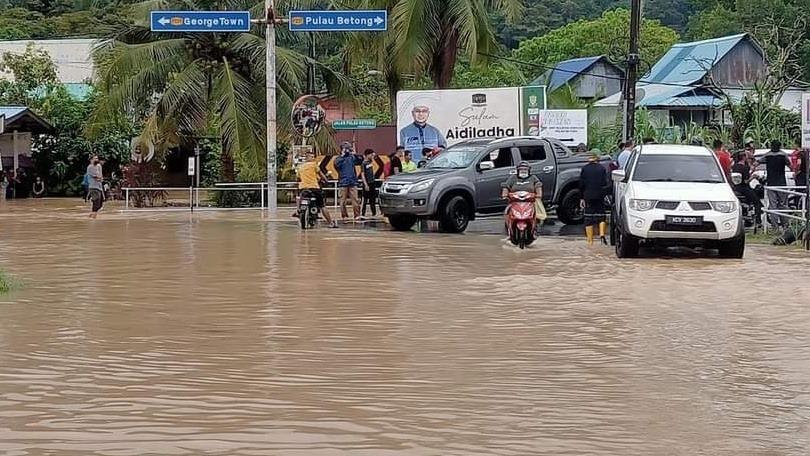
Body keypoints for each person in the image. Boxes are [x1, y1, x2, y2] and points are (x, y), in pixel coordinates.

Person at [501, 161, 545, 231]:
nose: (523, 171)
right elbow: (506, 186)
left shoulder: (533, 178)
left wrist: (539, 194)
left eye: (525, 169)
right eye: (521, 169)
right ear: (518, 170)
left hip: (529, 201)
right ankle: (508, 226)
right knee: (507, 211)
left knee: (537, 211)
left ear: (529, 170)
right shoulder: (513, 178)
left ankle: (535, 225)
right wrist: (505, 194)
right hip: (514, 201)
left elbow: (538, 185)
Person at [297, 150, 336, 228]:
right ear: (308, 158)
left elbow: (298, 178)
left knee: (300, 199)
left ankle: (298, 211)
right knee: (322, 206)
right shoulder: (314, 165)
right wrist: (326, 181)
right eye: (312, 157)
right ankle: (331, 223)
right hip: (314, 188)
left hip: (303, 188)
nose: (313, 158)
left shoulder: (300, 167)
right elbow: (321, 175)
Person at [579, 151, 610, 245]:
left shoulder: (585, 169)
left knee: (588, 217)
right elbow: (605, 183)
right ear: (598, 158)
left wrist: (581, 198)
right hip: (600, 195)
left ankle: (590, 241)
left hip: (588, 195)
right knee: (601, 216)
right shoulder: (602, 168)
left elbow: (581, 184)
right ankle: (601, 234)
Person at [758, 140, 791, 227]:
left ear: (771, 146)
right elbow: (790, 165)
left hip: (771, 183)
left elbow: (757, 162)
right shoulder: (783, 155)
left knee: (773, 205)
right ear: (779, 146)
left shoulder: (767, 155)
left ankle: (775, 226)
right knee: (783, 204)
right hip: (781, 183)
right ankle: (785, 224)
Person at [731, 151, 763, 227]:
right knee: (757, 202)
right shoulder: (744, 167)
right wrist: (753, 177)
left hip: (736, 187)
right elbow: (746, 180)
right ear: (744, 157)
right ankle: (758, 221)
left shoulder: (735, 166)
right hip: (744, 188)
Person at [334, 141, 362, 221]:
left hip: (353, 182)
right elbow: (336, 165)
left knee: (355, 200)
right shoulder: (338, 159)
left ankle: (357, 215)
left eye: (348, 148)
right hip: (343, 182)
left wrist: (355, 153)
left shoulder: (352, 157)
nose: (347, 150)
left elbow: (360, 161)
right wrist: (342, 156)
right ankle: (344, 215)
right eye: (346, 148)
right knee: (342, 201)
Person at [360, 149, 380, 217]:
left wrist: (373, 155)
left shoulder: (370, 162)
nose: (372, 156)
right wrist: (365, 184)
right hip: (367, 183)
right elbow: (362, 174)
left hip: (372, 182)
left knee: (372, 199)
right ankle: (362, 213)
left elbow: (375, 157)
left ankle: (374, 213)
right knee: (365, 199)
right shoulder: (364, 163)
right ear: (367, 155)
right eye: (371, 154)